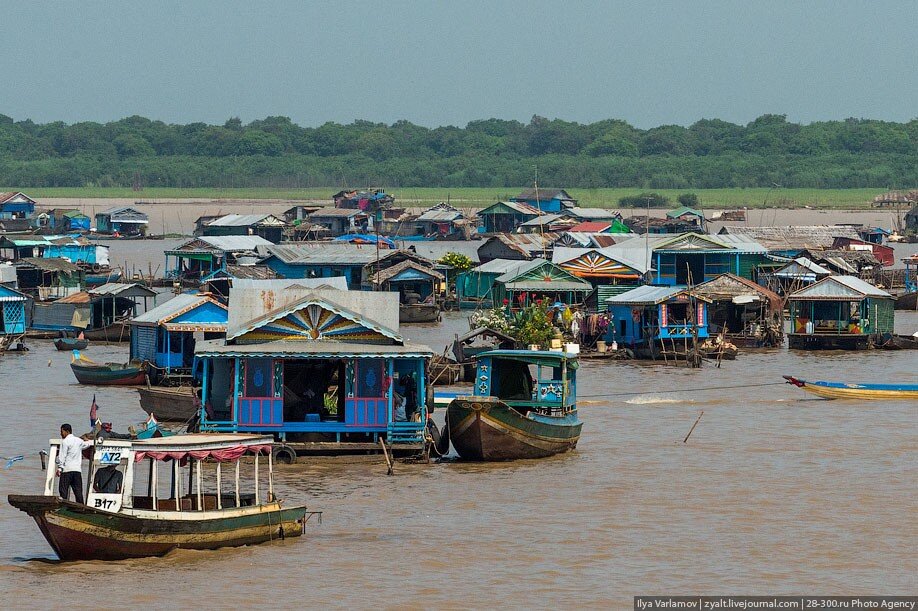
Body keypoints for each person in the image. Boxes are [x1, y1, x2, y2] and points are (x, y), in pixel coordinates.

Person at [56, 424, 90, 504]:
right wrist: (87, 440)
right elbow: (87, 445)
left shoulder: (65, 442)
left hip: (67, 470)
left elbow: (62, 456)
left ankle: (63, 507)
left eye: (62, 431)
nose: (61, 434)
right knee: (78, 492)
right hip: (77, 471)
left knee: (63, 491)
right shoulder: (79, 441)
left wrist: (59, 468)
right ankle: (81, 509)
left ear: (66, 431)